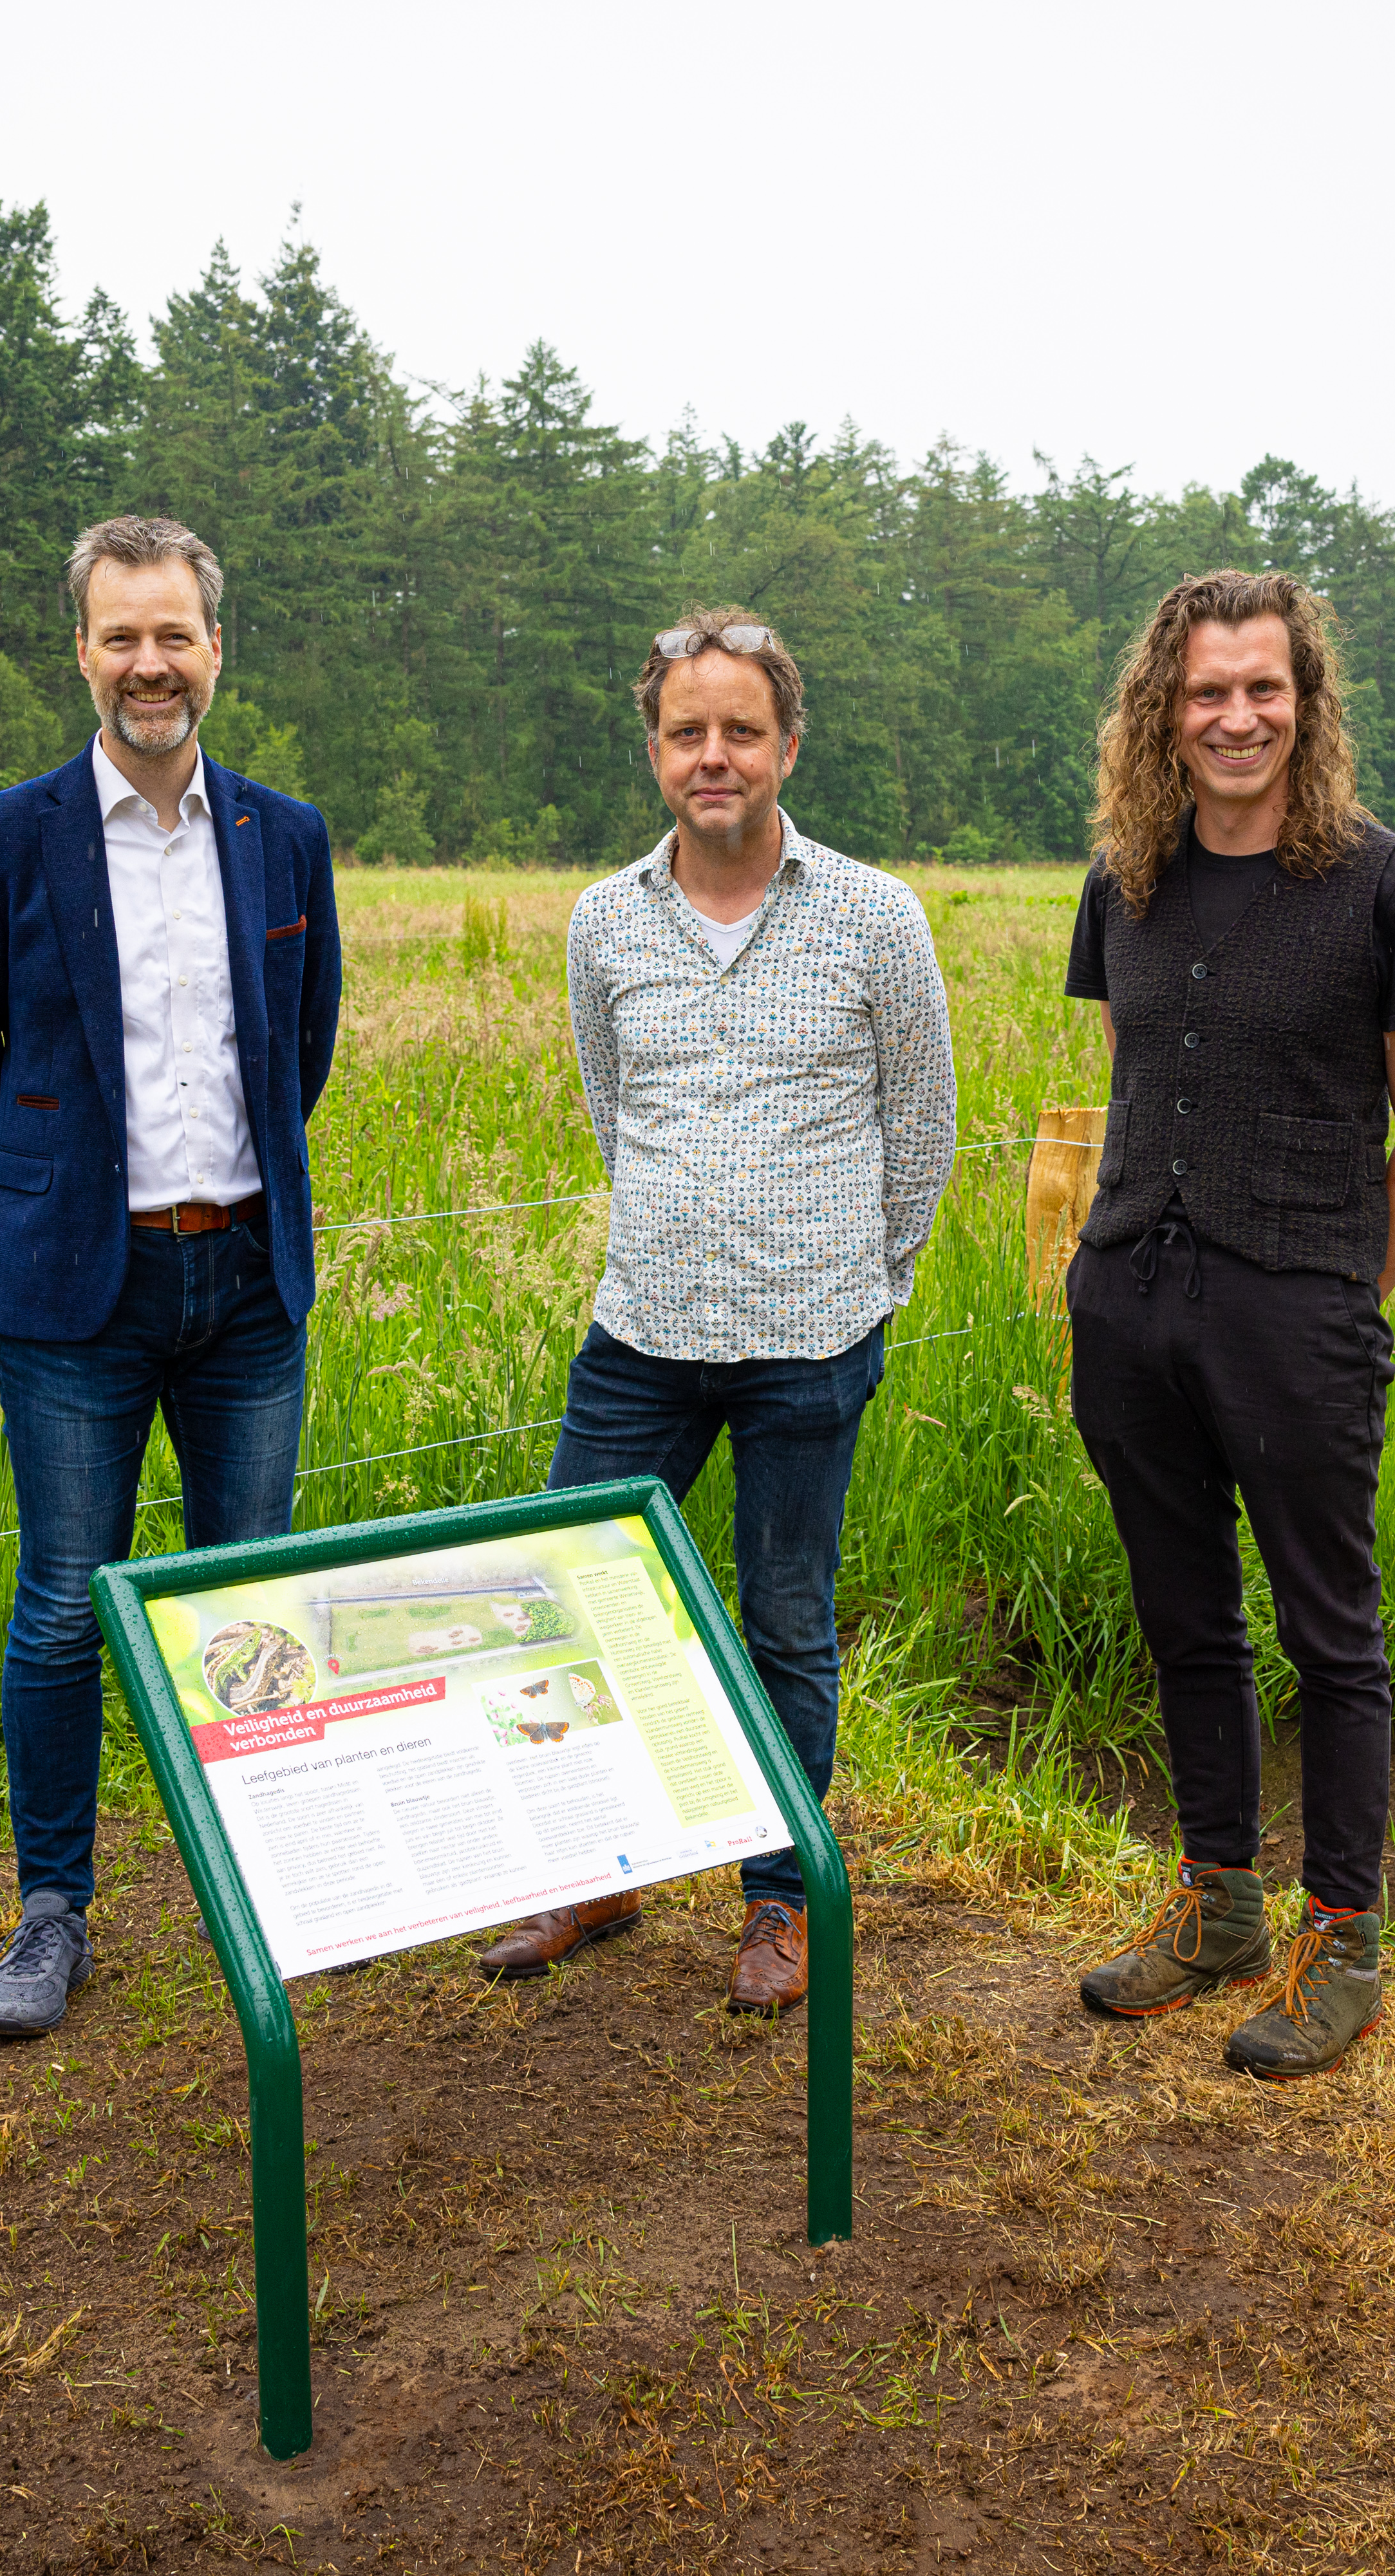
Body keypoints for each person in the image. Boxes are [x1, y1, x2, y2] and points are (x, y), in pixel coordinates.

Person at [469, 610, 957, 2014]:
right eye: (689, 731)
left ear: (787, 745)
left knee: (785, 1626)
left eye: (741, 729)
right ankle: (597, 1869)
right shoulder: (604, 920)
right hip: (644, 1338)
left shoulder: (874, 916)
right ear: (656, 750)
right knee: (578, 1596)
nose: (715, 755)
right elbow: (611, 1108)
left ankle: (780, 1902)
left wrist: (870, 1287)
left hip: (814, 1341)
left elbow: (919, 1126)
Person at [0, 514, 342, 2040]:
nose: (149, 665)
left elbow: (303, 1047)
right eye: (121, 637)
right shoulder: (4, 837)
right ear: (82, 651)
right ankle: (52, 1913)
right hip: (71, 1302)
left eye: (174, 636)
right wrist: (47, 1212)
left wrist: (218, 1210)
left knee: (252, 1598)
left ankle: (268, 1887)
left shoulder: (284, 837)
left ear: (216, 649)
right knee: (61, 1609)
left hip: (244, 1284)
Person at [1059, 569, 1395, 2080]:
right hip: (1131, 1303)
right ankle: (1218, 1903)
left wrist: (1329, 1301)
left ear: (1306, 707)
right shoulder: (1129, 883)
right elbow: (1140, 1074)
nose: (1235, 718)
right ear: (1163, 712)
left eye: (1263, 691)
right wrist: (1113, 1279)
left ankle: (1342, 1942)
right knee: (1184, 1617)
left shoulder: (1383, 890)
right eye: (1207, 693)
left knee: (1331, 1636)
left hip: (1293, 1315)